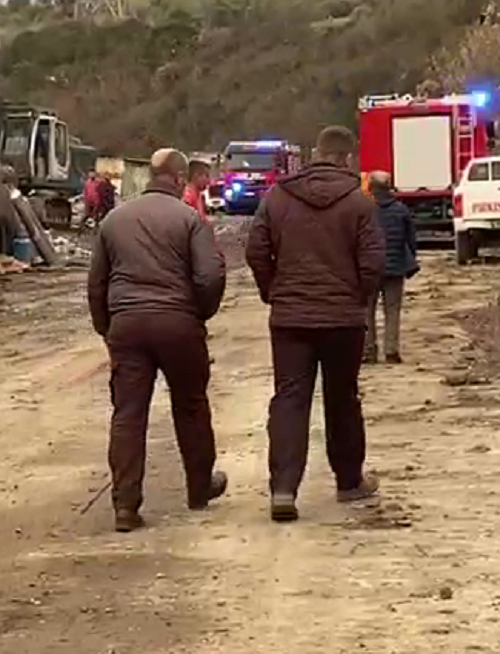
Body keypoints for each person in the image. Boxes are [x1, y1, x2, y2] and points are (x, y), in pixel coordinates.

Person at [246, 126, 386, 523]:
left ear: (314, 154)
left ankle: (284, 489)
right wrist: (357, 298)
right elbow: (374, 261)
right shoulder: (359, 203)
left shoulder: (277, 197)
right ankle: (349, 482)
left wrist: (273, 291)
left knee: (289, 399)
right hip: (343, 320)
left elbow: (256, 250)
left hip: (290, 318)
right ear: (347, 158)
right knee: (343, 399)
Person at [88, 148, 229, 532]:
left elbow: (97, 283)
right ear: (180, 179)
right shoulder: (189, 219)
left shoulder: (114, 221)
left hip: (127, 325)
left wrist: (107, 328)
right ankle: (199, 488)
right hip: (178, 323)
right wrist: (199, 314)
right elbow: (209, 276)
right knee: (191, 405)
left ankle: (125, 505)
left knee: (128, 414)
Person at [364, 171, 419, 365]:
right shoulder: (401, 210)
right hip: (395, 268)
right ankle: (391, 351)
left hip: (370, 268)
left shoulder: (365, 210)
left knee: (367, 311)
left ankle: (369, 351)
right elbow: (411, 240)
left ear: (371, 187)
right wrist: (408, 260)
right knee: (393, 310)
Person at [183, 158, 214, 223]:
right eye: (207, 176)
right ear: (196, 175)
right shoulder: (188, 196)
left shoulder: (198, 195)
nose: (209, 181)